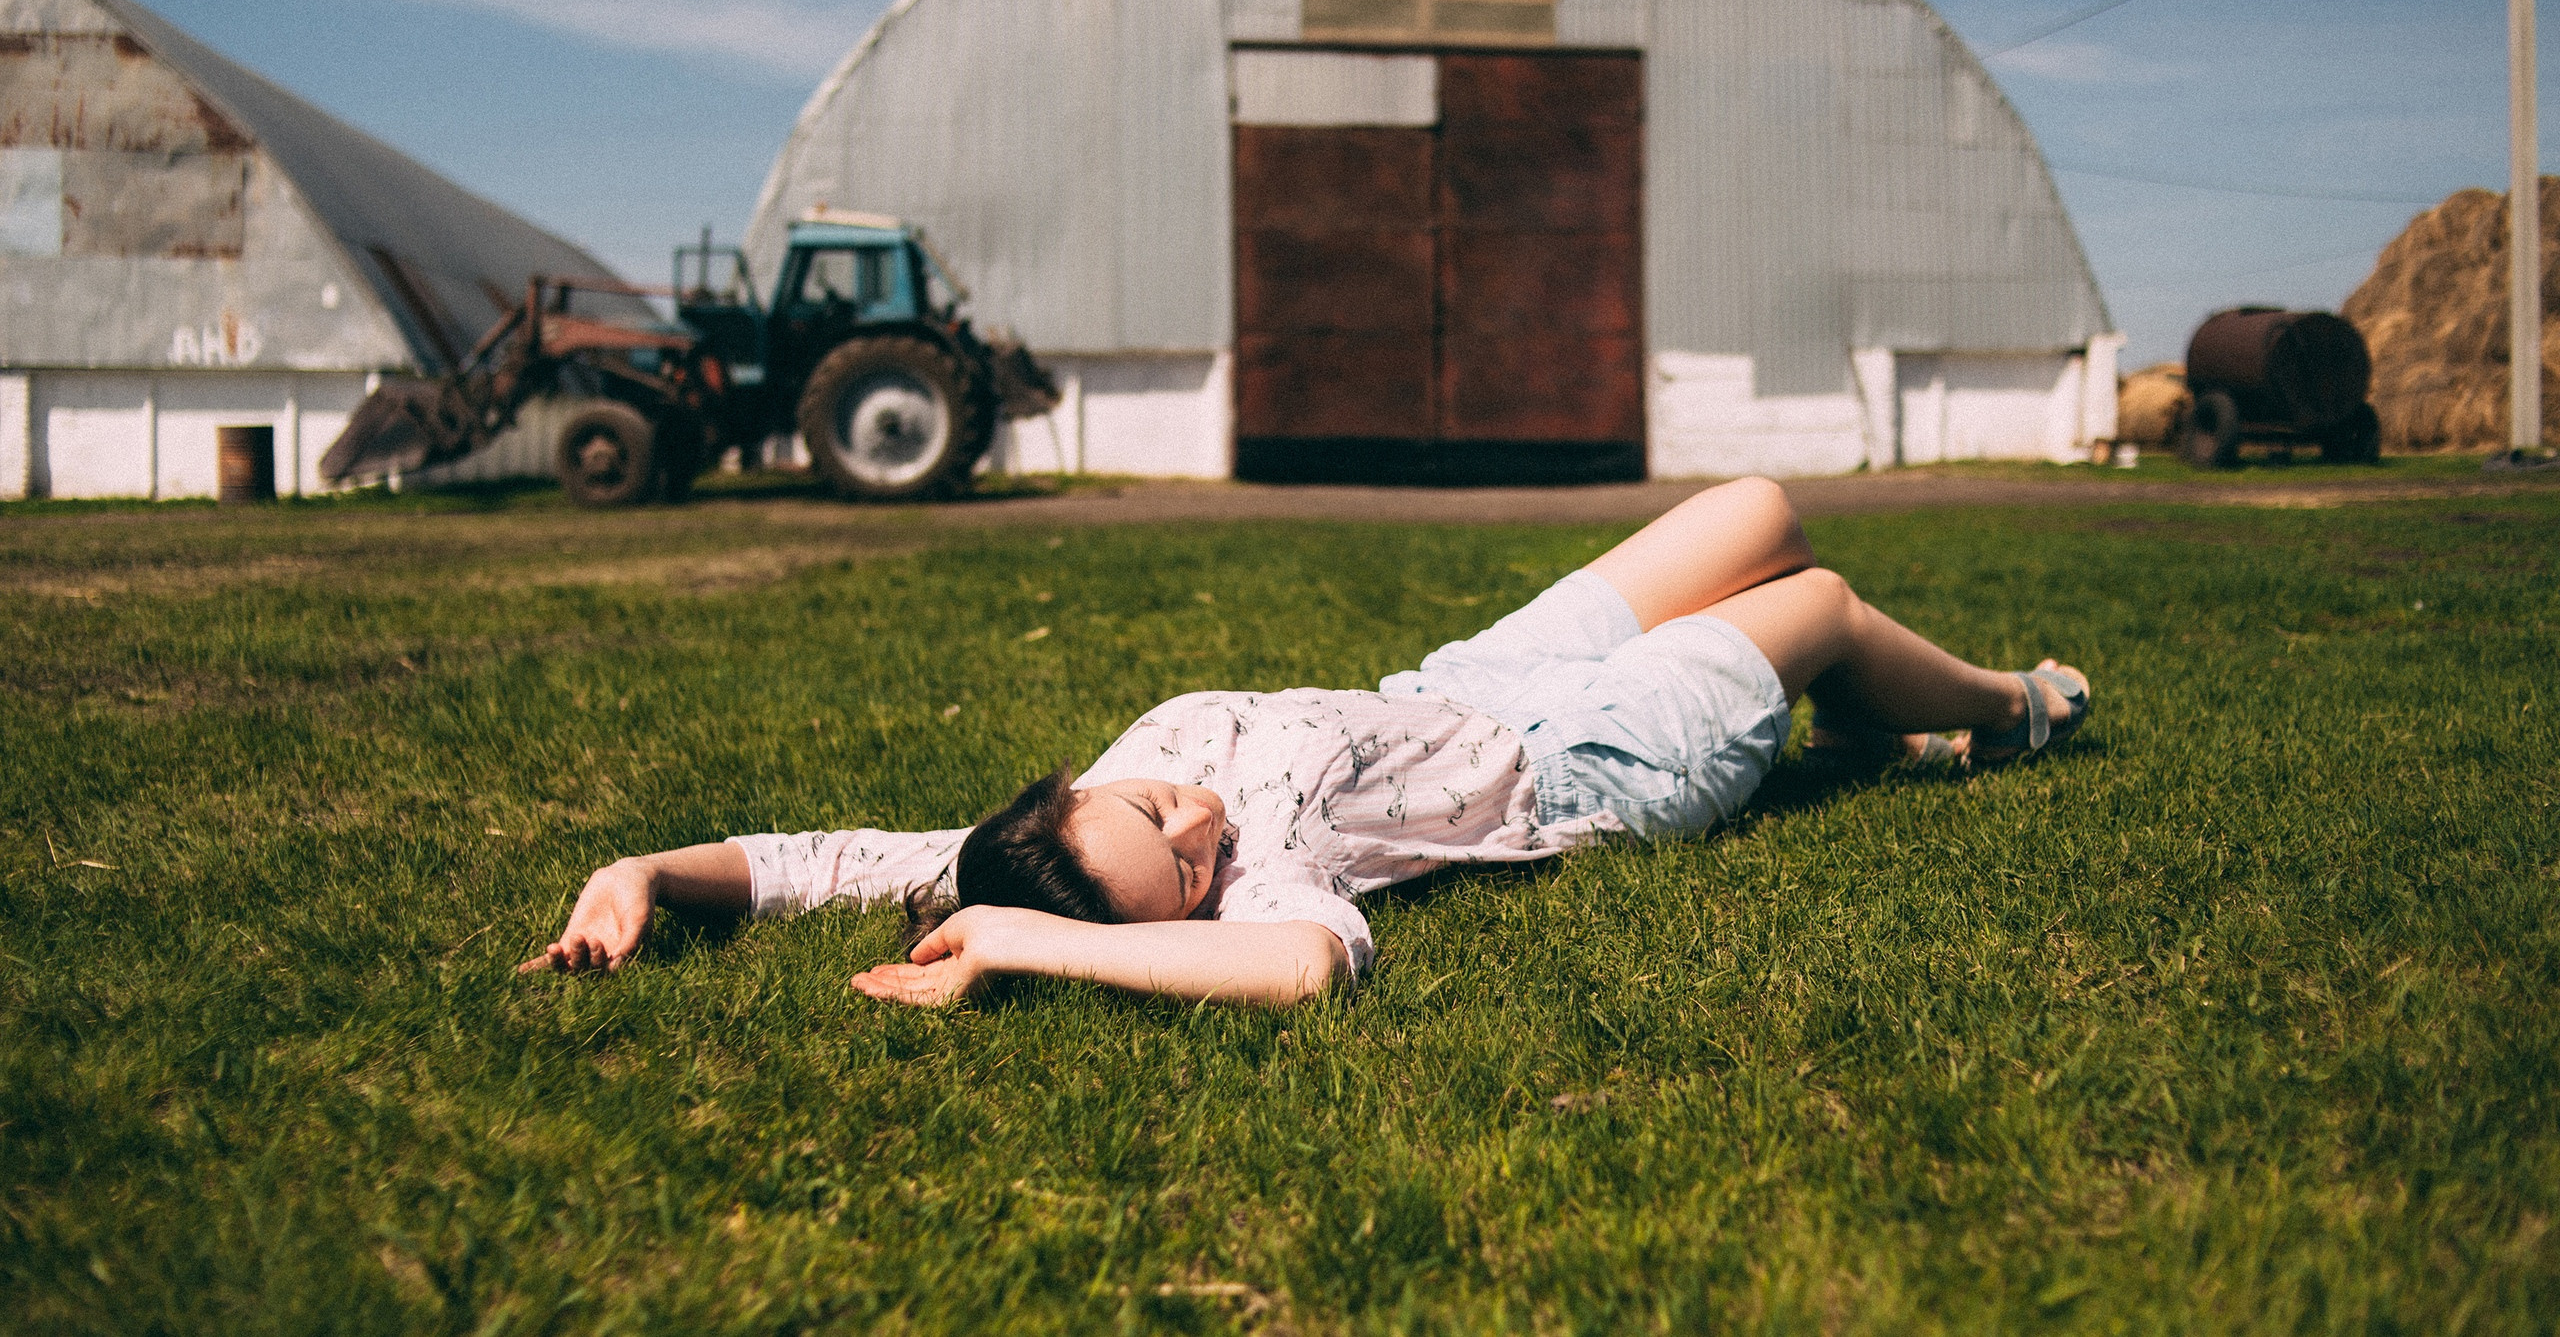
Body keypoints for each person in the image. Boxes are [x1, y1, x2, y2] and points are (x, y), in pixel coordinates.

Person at [517, 479, 2089, 1008]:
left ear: (1062, 800)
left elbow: (823, 865)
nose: (1198, 815)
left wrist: (640, 866)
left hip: (1479, 676)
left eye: (1152, 800)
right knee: (1812, 601)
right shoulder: (1256, 894)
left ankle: (1870, 741)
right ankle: (2008, 713)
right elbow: (1309, 972)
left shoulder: (1040, 841)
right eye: (1188, 865)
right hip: (1591, 765)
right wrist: (1015, 946)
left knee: (1758, 513)